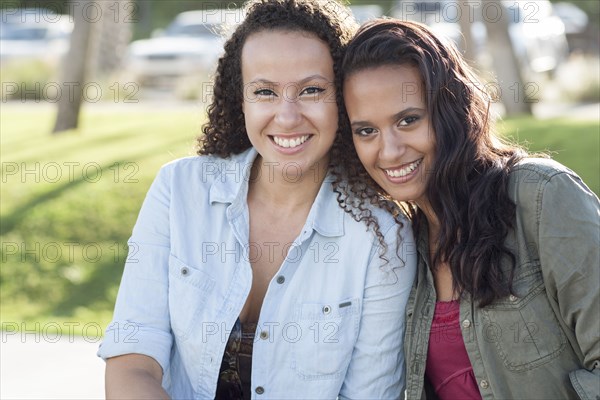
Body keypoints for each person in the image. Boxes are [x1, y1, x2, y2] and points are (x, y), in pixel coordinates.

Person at [98, 2, 417, 399]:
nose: (287, 117)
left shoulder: (383, 237)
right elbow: (132, 357)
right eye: (265, 91)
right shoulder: (179, 190)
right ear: (241, 99)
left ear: (344, 99)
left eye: (311, 90)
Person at [339, 18, 600, 400]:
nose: (389, 150)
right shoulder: (399, 247)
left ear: (449, 110)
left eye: (408, 120)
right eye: (366, 131)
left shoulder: (541, 197)